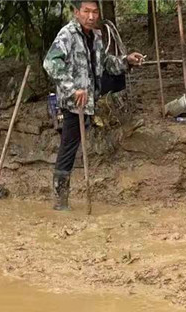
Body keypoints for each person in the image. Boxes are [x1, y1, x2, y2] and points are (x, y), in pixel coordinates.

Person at [44, 0, 144, 211]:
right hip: (74, 103)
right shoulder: (67, 35)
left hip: (89, 100)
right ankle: (60, 201)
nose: (91, 16)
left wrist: (127, 61)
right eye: (86, 11)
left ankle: (62, 200)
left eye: (94, 12)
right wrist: (72, 89)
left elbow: (105, 63)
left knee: (71, 145)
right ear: (76, 12)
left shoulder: (96, 36)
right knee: (69, 148)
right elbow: (51, 63)